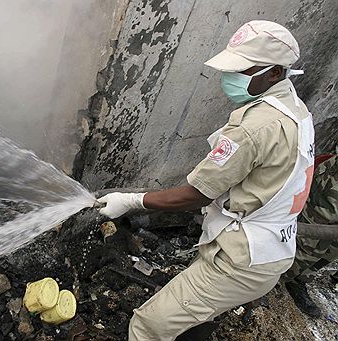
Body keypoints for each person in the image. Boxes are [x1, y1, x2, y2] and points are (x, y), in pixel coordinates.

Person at [97, 20, 314, 340]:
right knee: (199, 314)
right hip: (270, 248)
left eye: (242, 70)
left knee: (148, 325)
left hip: (241, 261)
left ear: (275, 73)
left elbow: (195, 195)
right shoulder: (293, 109)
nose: (229, 78)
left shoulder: (254, 128)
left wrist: (130, 200)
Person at [283, 150, 338, 318]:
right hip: (332, 194)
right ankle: (267, 280)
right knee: (310, 237)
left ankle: (299, 278)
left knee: (333, 243)